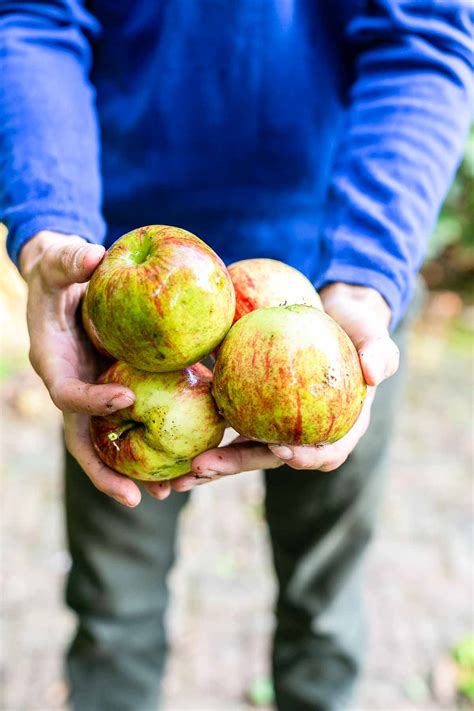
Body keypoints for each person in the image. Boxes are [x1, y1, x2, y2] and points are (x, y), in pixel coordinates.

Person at [1, 1, 472, 709]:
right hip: (119, 306)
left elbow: (422, 37)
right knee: (111, 611)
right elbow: (33, 16)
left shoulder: (340, 309)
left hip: (329, 302)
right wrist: (51, 234)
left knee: (325, 607)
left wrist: (369, 275)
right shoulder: (112, 314)